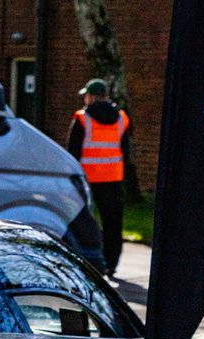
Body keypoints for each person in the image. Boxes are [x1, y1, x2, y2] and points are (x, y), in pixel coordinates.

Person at [67, 78, 130, 277]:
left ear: (92, 96)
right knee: (113, 222)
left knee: (84, 221)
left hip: (87, 179)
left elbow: (72, 152)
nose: (84, 99)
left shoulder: (82, 119)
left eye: (86, 95)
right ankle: (111, 263)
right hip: (113, 178)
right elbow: (126, 151)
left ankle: (87, 260)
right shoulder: (121, 118)